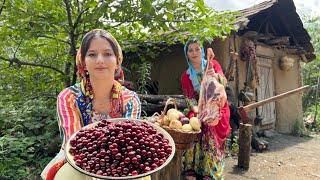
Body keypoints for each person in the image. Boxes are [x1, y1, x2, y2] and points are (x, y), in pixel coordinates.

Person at [41, 29, 143, 180]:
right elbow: (73, 144)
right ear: (83, 62)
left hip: (120, 162)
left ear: (117, 61)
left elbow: (128, 145)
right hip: (76, 161)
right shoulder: (69, 97)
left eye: (108, 54)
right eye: (92, 54)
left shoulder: (130, 100)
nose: (100, 60)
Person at [180, 38, 231, 180]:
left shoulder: (212, 63)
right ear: (187, 54)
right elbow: (189, 98)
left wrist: (213, 75)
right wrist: (198, 110)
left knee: (210, 124)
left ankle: (211, 171)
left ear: (201, 50)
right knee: (192, 125)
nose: (194, 52)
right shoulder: (186, 76)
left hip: (217, 104)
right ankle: (192, 168)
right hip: (199, 106)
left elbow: (223, 83)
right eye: (191, 50)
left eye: (197, 49)